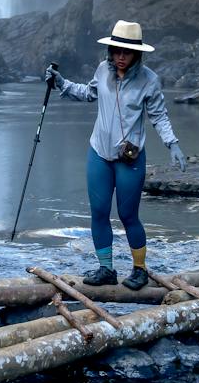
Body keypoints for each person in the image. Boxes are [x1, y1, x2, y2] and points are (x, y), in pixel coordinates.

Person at [45, 19, 185, 291]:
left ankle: (140, 270)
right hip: (99, 152)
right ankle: (106, 268)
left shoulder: (149, 81)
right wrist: (61, 83)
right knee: (98, 212)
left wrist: (172, 143)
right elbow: (89, 93)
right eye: (117, 51)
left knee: (128, 214)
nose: (121, 57)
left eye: (127, 52)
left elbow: (159, 116)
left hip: (128, 158)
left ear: (137, 54)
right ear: (110, 51)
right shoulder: (102, 70)